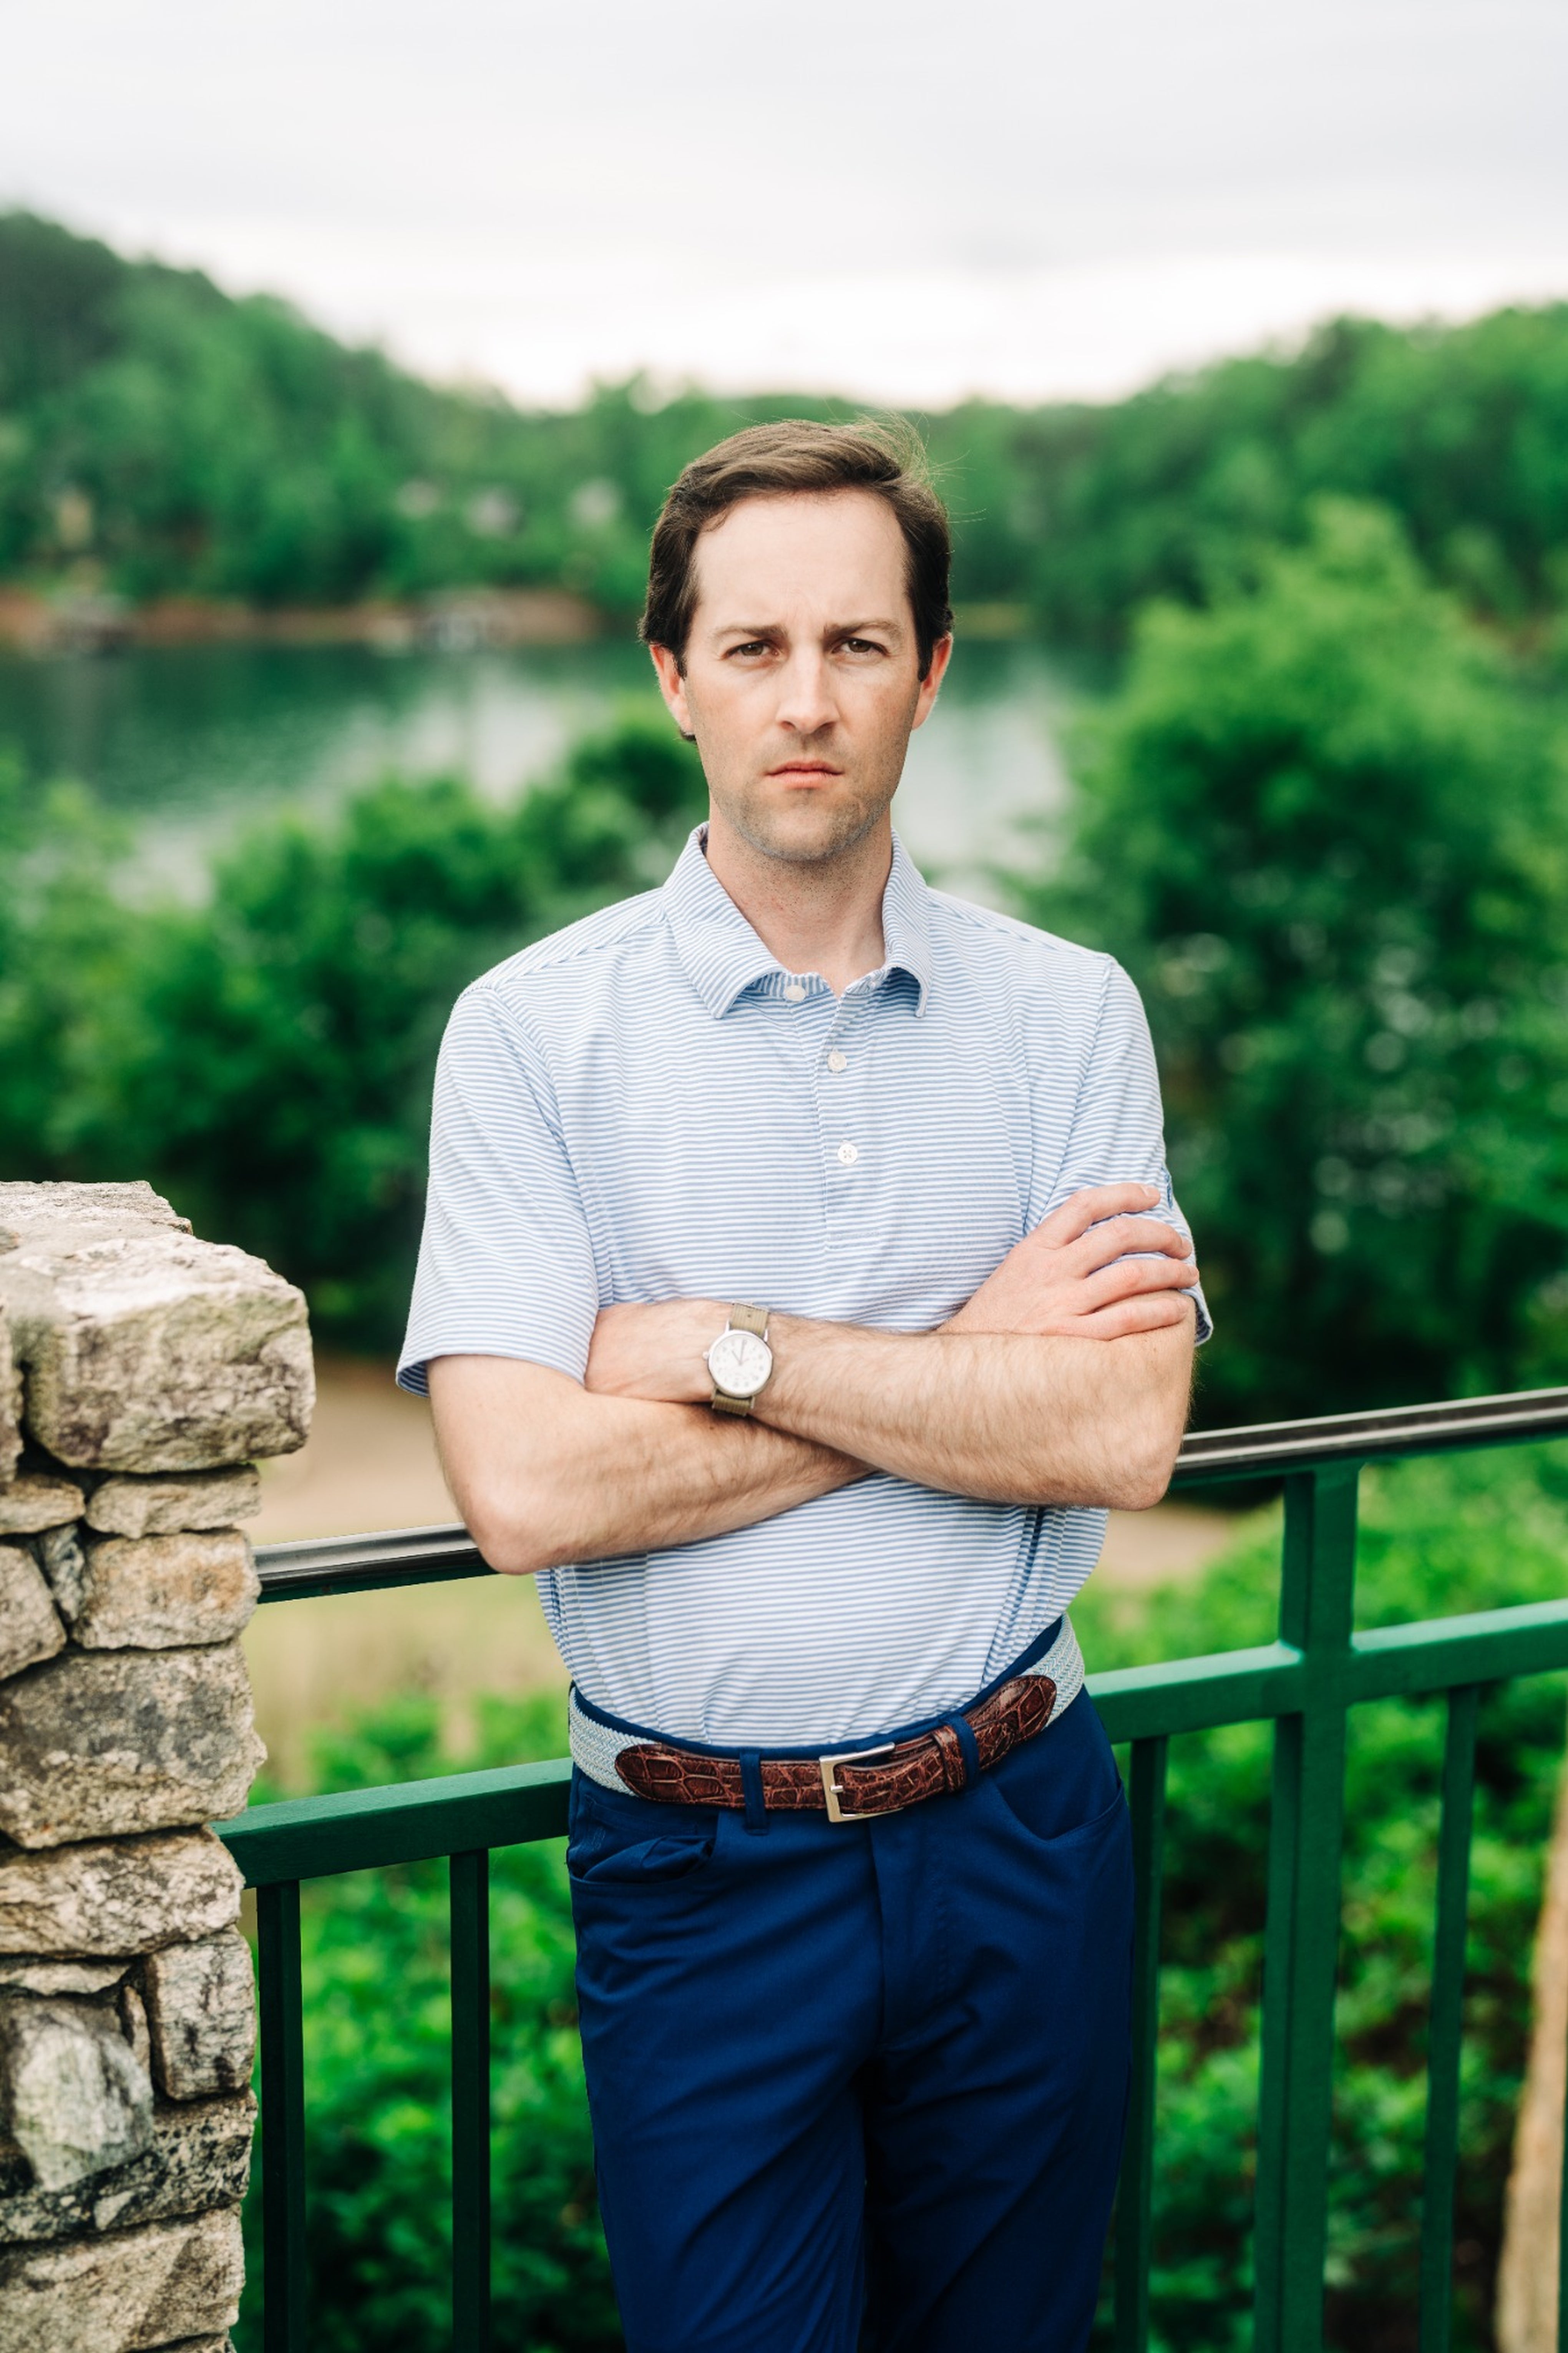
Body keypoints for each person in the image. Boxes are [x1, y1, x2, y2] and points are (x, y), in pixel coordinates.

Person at [398, 418, 1208, 2353]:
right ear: (672, 677)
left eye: (858, 643)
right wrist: (966, 1362)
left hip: (1020, 1826)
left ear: (933, 672)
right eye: (753, 647)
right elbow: (523, 1490)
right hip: (696, 1869)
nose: (807, 699)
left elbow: (1120, 1431)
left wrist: (717, 1356)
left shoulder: (1069, 1012)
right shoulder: (528, 1035)